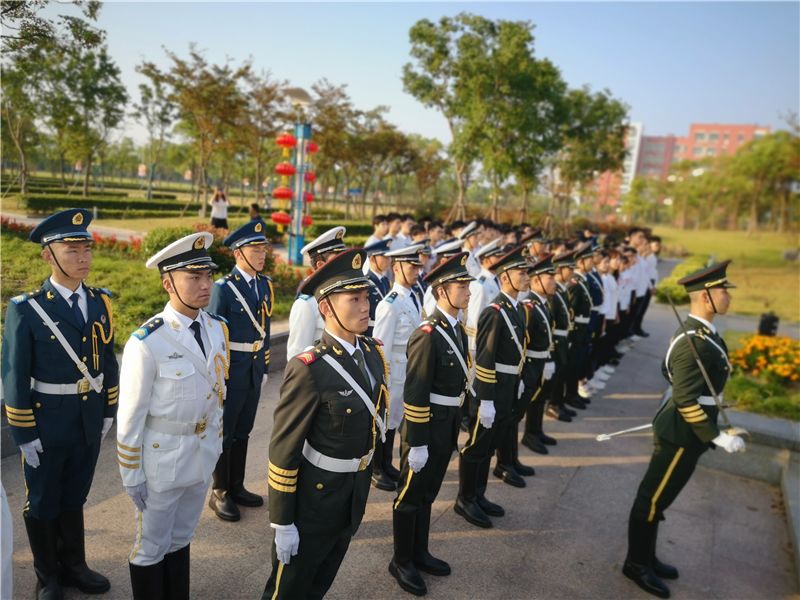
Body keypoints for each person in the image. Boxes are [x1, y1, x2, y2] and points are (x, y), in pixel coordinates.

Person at [2, 208, 118, 599]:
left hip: (86, 419)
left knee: (74, 495)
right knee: (43, 499)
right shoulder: (27, 308)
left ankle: (75, 565)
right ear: (48, 255)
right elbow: (14, 373)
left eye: (86, 248)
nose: (82, 258)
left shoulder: (100, 302)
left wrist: (108, 410)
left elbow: (108, 359)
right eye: (71, 250)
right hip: (46, 421)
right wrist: (22, 431)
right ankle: (47, 574)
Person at [261, 248, 388, 599]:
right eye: (354, 299)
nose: (366, 307)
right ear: (326, 308)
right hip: (315, 499)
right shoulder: (309, 368)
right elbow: (282, 450)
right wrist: (283, 520)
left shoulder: (373, 354)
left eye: (366, 297)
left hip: (352, 491)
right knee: (289, 588)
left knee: (320, 582)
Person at [623, 260, 745, 599]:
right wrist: (715, 435)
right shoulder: (695, 341)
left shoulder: (703, 335)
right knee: (652, 498)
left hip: (687, 430)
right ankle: (636, 563)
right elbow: (687, 397)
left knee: (661, 499)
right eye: (723, 291)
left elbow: (670, 374)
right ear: (705, 297)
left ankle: (646, 555)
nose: (728, 297)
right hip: (680, 434)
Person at [116, 232, 228, 599]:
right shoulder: (148, 341)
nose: (204, 284)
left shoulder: (215, 328)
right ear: (168, 283)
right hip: (161, 462)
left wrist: (216, 443)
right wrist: (131, 473)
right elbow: (130, 416)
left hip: (200, 455)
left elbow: (217, 396)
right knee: (151, 546)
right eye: (193, 277)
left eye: (207, 275)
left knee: (181, 539)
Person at [389, 253, 473, 596]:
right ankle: (401, 560)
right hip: (425, 427)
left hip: (447, 422)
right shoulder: (427, 333)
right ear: (441, 291)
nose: (468, 291)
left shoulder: (456, 329)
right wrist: (418, 441)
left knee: (428, 493)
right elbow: (416, 391)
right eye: (461, 286)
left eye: (468, 285)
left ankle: (419, 551)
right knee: (409, 495)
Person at [455, 246, 529, 527]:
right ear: (506, 277)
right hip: (491, 389)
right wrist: (484, 399)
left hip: (507, 385)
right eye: (521, 273)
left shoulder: (515, 307)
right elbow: (484, 359)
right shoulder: (494, 312)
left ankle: (479, 494)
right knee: (477, 445)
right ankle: (465, 498)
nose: (526, 277)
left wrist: (517, 382)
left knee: (490, 444)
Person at [206, 221, 273, 522]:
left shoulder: (264, 284)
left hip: (254, 367)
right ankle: (219, 491)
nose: (262, 255)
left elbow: (266, 329)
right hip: (231, 369)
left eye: (263, 249)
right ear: (238, 253)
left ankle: (237, 484)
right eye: (255, 249)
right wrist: (218, 376)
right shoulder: (224, 289)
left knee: (244, 428)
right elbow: (213, 334)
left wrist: (265, 364)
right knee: (226, 430)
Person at [372, 243, 426, 491]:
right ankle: (376, 468)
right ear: (396, 268)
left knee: (394, 421)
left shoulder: (413, 297)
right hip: (393, 373)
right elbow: (381, 346)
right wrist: (384, 381)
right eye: (411, 266)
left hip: (408, 371)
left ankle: (387, 463)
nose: (416, 271)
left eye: (417, 266)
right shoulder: (389, 304)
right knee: (384, 420)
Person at [285, 226, 346, 359]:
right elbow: (297, 355)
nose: (343, 263)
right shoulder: (307, 304)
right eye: (337, 259)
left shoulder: (342, 294)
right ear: (320, 265)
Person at [520, 254, 558, 456]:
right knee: (533, 400)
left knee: (541, 398)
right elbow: (524, 342)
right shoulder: (529, 306)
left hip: (543, 359)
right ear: (536, 281)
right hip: (532, 362)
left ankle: (536, 430)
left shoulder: (542, 303)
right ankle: (529, 434)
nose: (554, 281)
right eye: (549, 278)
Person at [547, 250, 577, 423]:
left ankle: (559, 402)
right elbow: (550, 323)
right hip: (556, 341)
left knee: (562, 372)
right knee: (557, 375)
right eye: (569, 268)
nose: (572, 271)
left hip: (564, 338)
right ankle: (553, 404)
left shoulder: (562, 290)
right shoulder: (554, 293)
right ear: (560, 270)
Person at [364, 238, 392, 336]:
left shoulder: (386, 281)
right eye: (385, 257)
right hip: (371, 332)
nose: (389, 260)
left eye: (389, 257)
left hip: (387, 330)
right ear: (372, 258)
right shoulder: (365, 282)